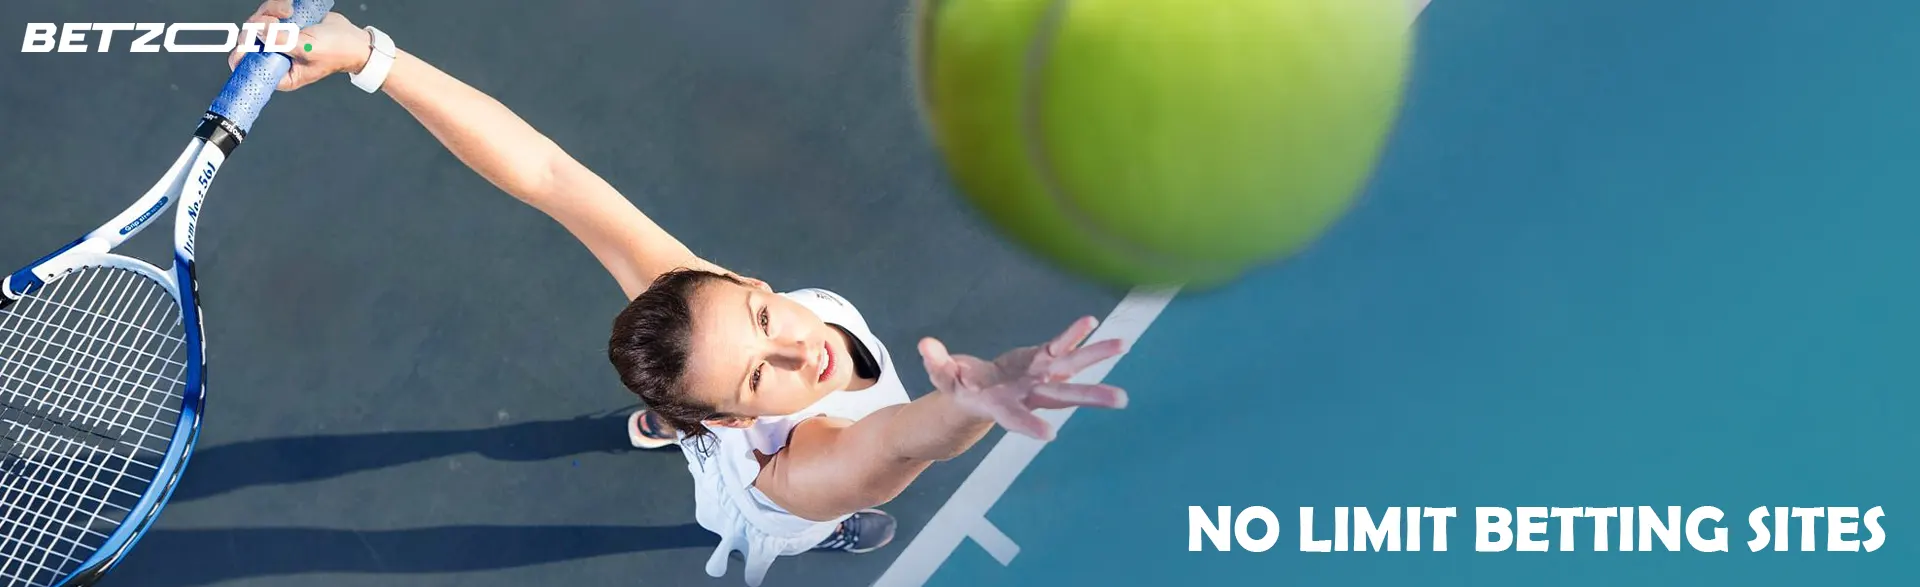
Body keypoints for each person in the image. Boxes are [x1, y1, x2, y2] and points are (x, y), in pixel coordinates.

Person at [231, 2, 1130, 585]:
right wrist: (966, 408)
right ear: (744, 422)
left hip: (703, 404)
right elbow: (894, 447)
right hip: (772, 495)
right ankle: (676, 428)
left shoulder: (705, 305)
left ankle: (663, 420)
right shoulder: (802, 471)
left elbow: (546, 172)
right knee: (841, 515)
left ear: (747, 283)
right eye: (758, 380)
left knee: (686, 365)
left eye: (763, 320)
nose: (797, 351)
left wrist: (369, 56)